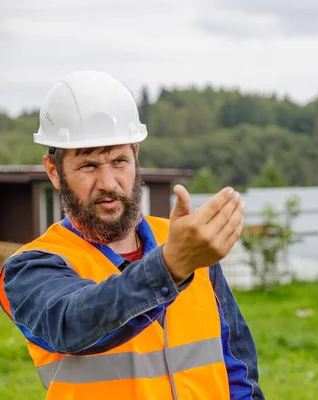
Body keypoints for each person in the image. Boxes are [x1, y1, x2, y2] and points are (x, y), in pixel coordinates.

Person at [0, 70, 265, 400]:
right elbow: (74, 323)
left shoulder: (183, 241)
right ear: (54, 172)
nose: (109, 182)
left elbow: (236, 365)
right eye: (89, 166)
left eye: (119, 161)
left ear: (136, 157)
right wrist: (170, 267)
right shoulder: (30, 267)